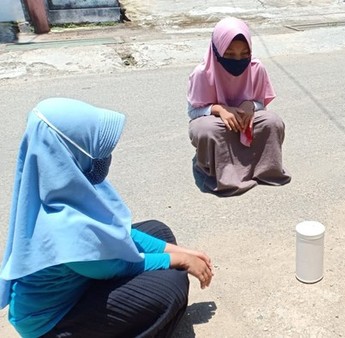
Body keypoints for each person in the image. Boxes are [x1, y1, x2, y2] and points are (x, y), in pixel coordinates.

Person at [0, 98, 214, 337]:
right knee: (169, 286)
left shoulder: (62, 187)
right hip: (53, 323)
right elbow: (115, 266)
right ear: (71, 151)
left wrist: (181, 251)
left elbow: (116, 233)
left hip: (79, 284)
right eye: (93, 147)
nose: (104, 156)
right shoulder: (61, 223)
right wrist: (179, 260)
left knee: (158, 230)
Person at [187, 17, 291, 196]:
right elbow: (194, 112)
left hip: (246, 120)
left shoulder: (256, 68)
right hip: (217, 122)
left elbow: (261, 104)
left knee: (272, 122)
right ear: (217, 50)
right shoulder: (202, 73)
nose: (238, 60)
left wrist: (251, 105)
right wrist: (220, 110)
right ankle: (220, 174)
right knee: (206, 129)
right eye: (229, 55)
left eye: (244, 54)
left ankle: (264, 171)